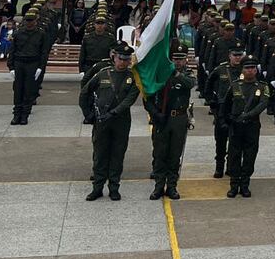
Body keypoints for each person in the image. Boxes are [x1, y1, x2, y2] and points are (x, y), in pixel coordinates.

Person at [83, 43, 139, 201]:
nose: (123, 62)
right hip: (102, 120)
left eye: (126, 60)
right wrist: (88, 114)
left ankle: (114, 187)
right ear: (114, 58)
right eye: (120, 59)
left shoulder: (133, 77)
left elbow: (129, 100)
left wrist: (114, 112)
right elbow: (85, 92)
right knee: (100, 154)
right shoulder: (103, 74)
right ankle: (97, 188)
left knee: (117, 155)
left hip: (120, 121)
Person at [145, 43, 195, 201]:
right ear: (169, 59)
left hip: (179, 119)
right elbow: (148, 97)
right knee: (160, 154)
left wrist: (177, 74)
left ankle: (172, 186)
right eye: (175, 59)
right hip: (162, 118)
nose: (178, 62)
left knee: (175, 154)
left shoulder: (188, 73)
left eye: (181, 59)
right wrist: (154, 113)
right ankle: (159, 186)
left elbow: (190, 84)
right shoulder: (160, 74)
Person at [221, 57, 270, 198]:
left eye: (253, 68)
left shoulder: (262, 86)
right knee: (234, 155)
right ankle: (234, 184)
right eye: (247, 68)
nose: (250, 70)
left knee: (250, 155)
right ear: (242, 69)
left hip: (252, 126)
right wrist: (225, 120)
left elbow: (263, 104)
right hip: (236, 126)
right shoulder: (235, 85)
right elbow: (225, 104)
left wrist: (247, 116)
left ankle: (245, 184)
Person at [207, 47, 244, 178]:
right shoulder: (221, 69)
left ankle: (231, 167)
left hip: (237, 110)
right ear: (230, 55)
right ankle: (219, 167)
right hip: (222, 110)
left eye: (240, 55)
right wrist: (211, 99)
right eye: (235, 55)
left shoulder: (245, 70)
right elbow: (209, 83)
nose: (237, 58)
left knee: (235, 142)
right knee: (221, 141)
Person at [8, 7, 46, 125]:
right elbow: (12, 51)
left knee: (28, 90)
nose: (29, 23)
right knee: (18, 89)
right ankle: (16, 114)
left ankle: (25, 114)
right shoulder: (18, 33)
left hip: (32, 63)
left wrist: (40, 67)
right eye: (27, 20)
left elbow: (43, 52)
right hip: (19, 62)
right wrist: (11, 67)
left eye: (31, 20)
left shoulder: (40, 34)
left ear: (35, 21)